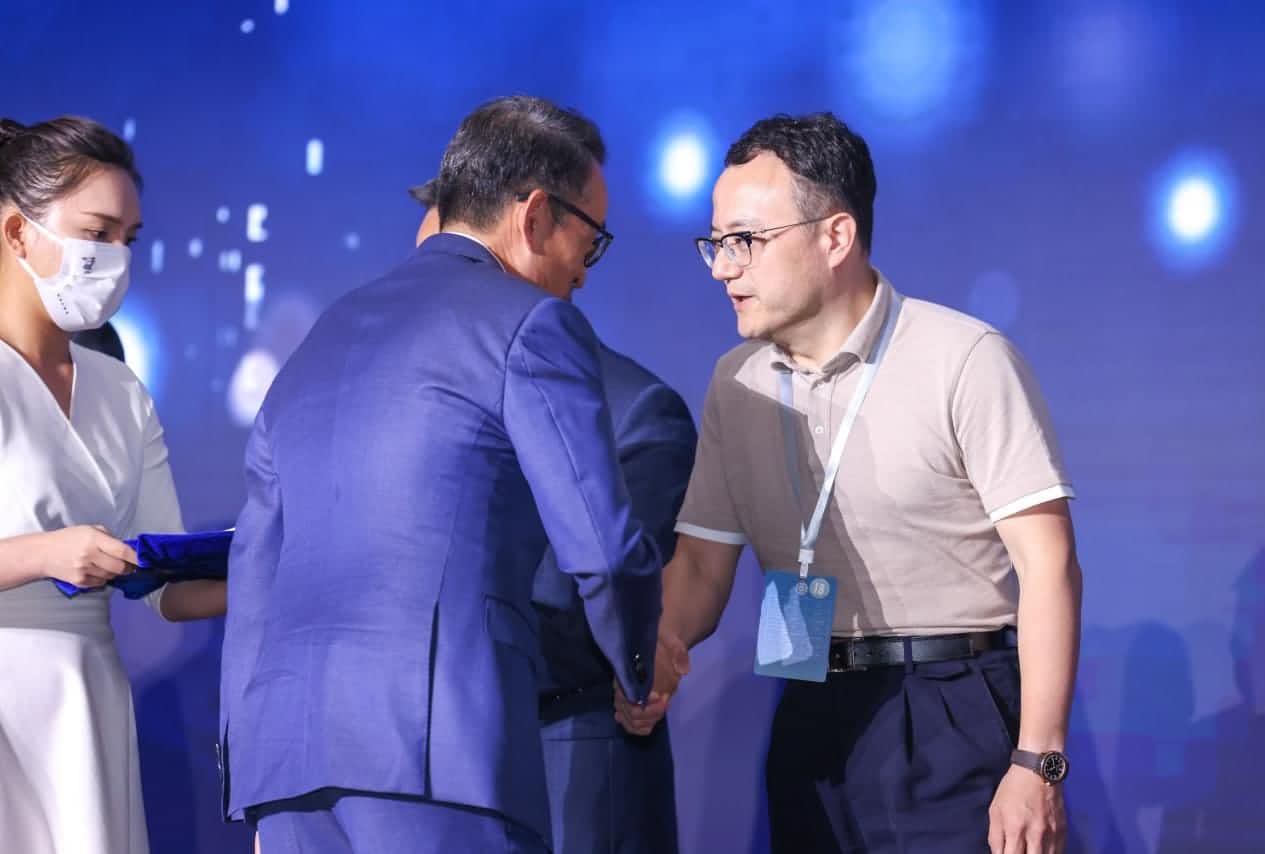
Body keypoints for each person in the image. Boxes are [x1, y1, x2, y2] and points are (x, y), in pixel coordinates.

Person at [616, 112, 1083, 854]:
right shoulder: (737, 381)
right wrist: (657, 650)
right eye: (716, 243)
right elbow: (701, 562)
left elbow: (1048, 564)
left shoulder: (963, 358)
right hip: (810, 703)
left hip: (947, 706)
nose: (722, 268)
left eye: (745, 241)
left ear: (835, 237)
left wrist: (1038, 762)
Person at [220, 95, 662, 854]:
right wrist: (637, 671)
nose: (583, 275)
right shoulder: (532, 324)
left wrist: (252, 777)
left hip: (286, 766)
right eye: (590, 242)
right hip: (437, 757)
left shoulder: (320, 340)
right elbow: (604, 549)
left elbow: (255, 567)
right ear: (535, 215)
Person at [409, 179, 695, 854]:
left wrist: (641, 663)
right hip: (427, 773)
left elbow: (589, 616)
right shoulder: (411, 407)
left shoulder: (634, 412)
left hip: (565, 769)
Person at [0, 116, 226, 854]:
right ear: (17, 233)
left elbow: (168, 591)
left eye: (129, 239)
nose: (116, 260)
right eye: (97, 234)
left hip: (88, 696)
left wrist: (272, 569)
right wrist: (44, 554)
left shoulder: (121, 390)